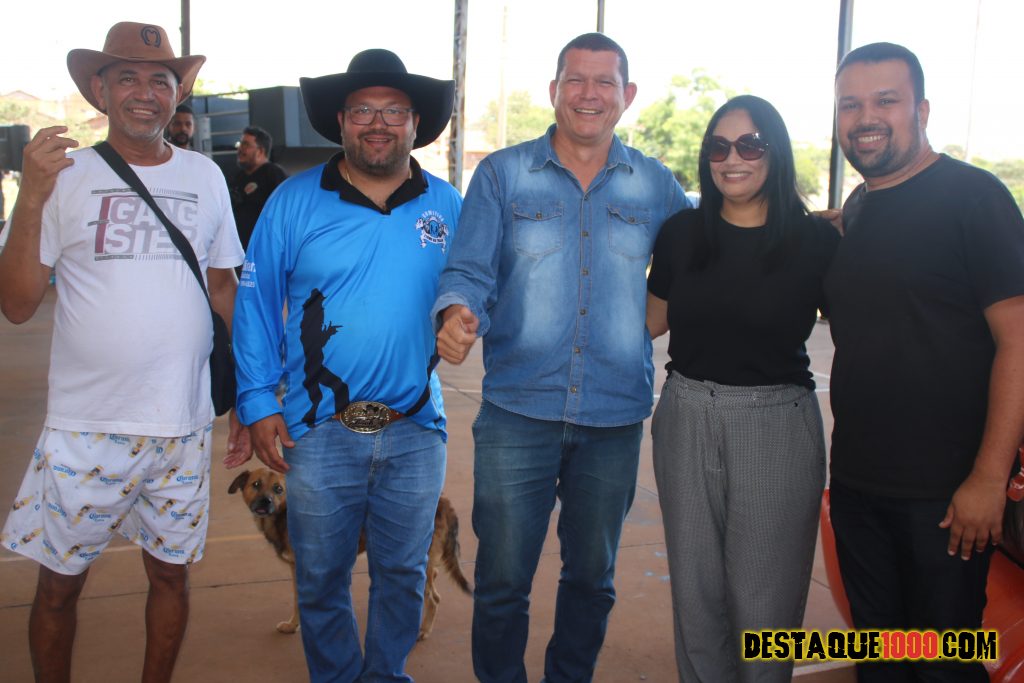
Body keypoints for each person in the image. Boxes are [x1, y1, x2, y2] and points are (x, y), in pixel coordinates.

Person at [433, 32, 689, 683]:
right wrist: (455, 313)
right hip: (518, 412)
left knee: (592, 580)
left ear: (628, 95)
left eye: (605, 82)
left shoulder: (656, 185)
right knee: (501, 582)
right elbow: (468, 270)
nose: (589, 93)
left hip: (614, 417)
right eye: (576, 79)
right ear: (553, 90)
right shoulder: (503, 174)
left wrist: (800, 229)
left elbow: (703, 260)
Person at [0, 22, 246, 683]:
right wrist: (30, 194)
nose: (145, 92)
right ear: (100, 90)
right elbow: (18, 302)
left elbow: (224, 288)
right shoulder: (63, 176)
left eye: (160, 79)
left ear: (178, 95)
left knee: (170, 577)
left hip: (182, 424)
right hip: (86, 426)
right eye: (127, 77)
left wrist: (251, 397)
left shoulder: (205, 176)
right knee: (59, 587)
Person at [229, 49, 461, 683]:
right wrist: (258, 401)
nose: (378, 123)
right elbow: (255, 304)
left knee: (403, 573)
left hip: (416, 427)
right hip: (318, 431)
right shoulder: (292, 201)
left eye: (394, 110)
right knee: (321, 577)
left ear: (416, 121)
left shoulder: (446, 204)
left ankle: (386, 675)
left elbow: (474, 291)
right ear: (341, 119)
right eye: (363, 110)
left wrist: (466, 318)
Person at [827, 42, 1024, 682]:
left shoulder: (975, 198)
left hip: (947, 497)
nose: (866, 117)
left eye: (886, 100)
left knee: (943, 667)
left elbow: (1019, 342)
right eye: (851, 104)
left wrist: (989, 479)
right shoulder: (859, 210)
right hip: (859, 487)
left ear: (923, 110)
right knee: (881, 660)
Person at [646, 95, 839, 683]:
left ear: (776, 153)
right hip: (684, 415)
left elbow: (867, 328)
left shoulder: (816, 242)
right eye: (719, 146)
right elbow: (649, 321)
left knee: (765, 600)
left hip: (776, 423)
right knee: (695, 595)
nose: (732, 159)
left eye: (750, 145)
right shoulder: (681, 234)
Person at [230, 125, 288, 252]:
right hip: (239, 251)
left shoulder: (274, 174)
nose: (240, 149)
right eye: (240, 144)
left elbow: (284, 212)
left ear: (260, 151)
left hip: (265, 250)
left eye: (246, 145)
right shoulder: (238, 177)